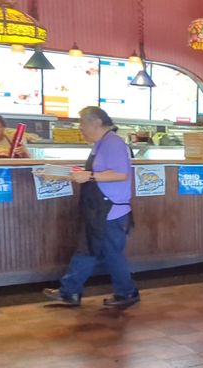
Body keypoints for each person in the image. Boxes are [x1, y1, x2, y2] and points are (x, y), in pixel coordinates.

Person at [44, 107, 138, 308]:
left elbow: (121, 174)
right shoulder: (101, 143)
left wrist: (91, 176)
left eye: (82, 123)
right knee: (90, 249)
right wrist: (59, 174)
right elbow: (93, 173)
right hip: (100, 208)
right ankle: (70, 292)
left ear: (95, 122)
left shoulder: (113, 143)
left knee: (106, 252)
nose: (81, 128)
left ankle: (125, 292)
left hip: (110, 209)